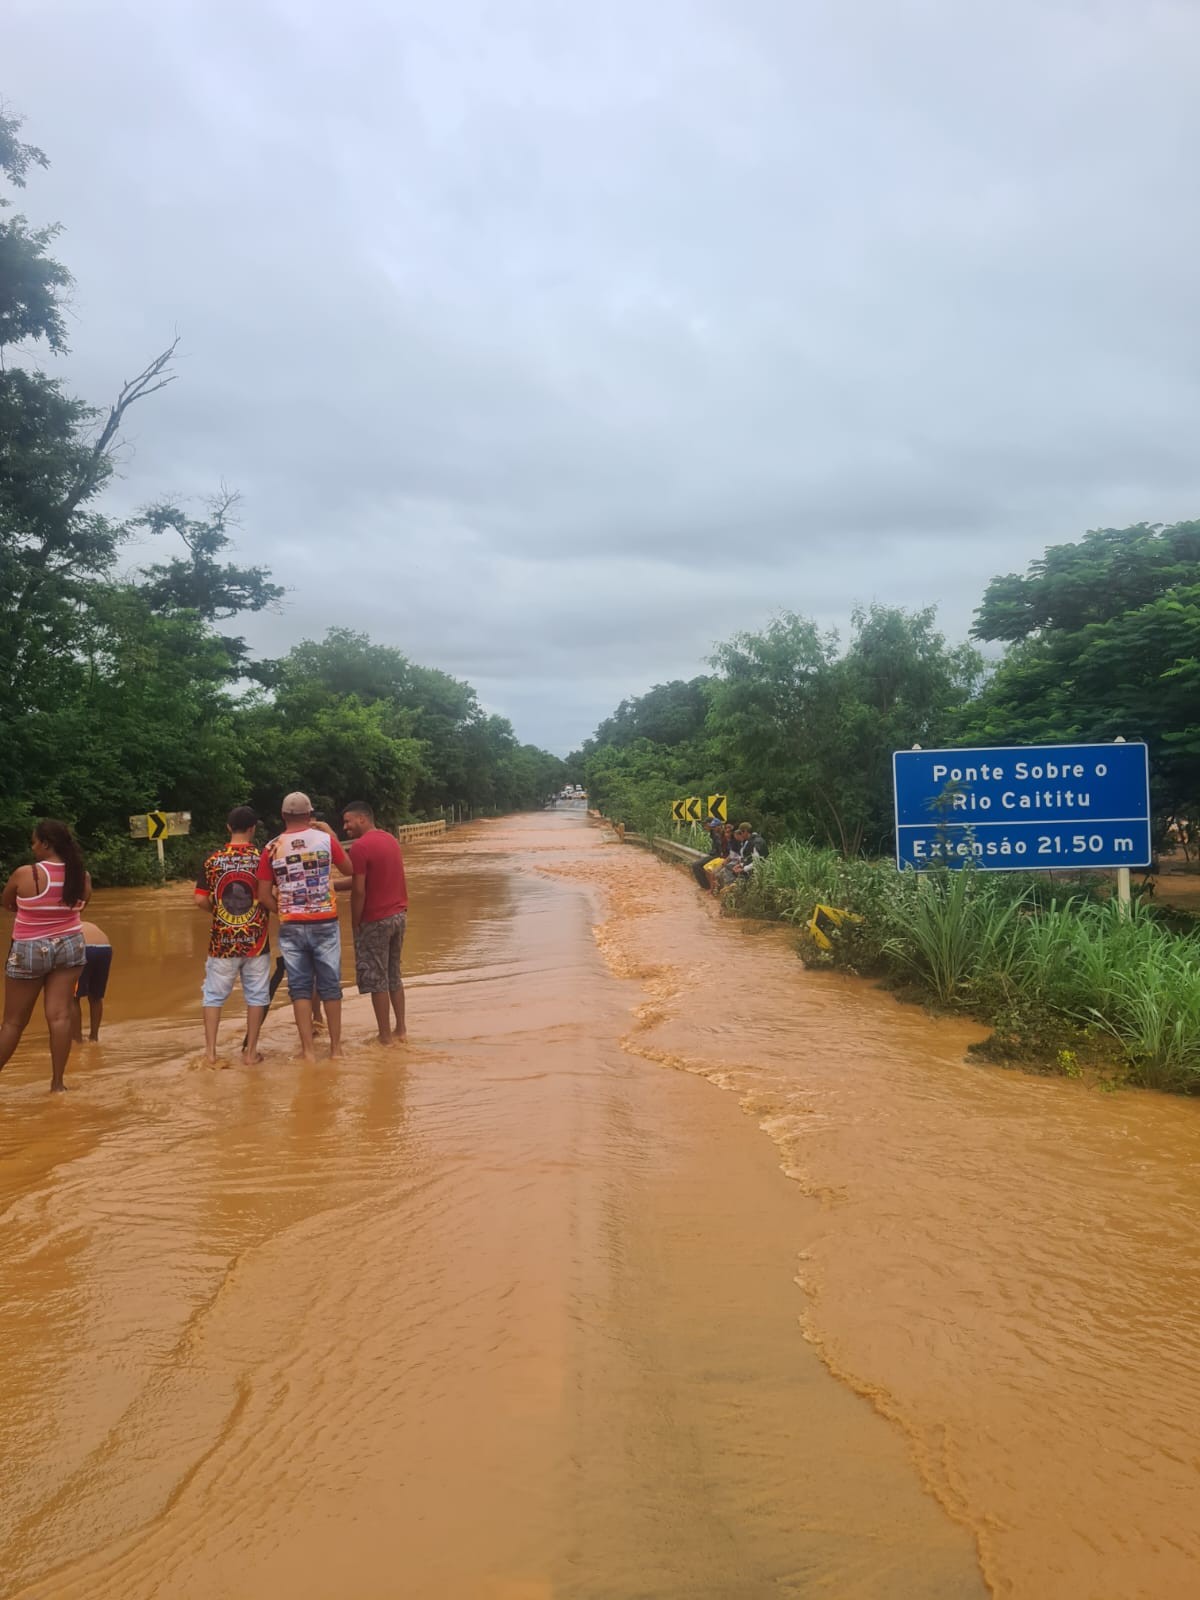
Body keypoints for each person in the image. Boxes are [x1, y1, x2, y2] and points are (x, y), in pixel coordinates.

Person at [256, 793, 355, 1062]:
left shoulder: (271, 848)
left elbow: (264, 895)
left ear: (283, 816)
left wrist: (284, 911)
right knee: (331, 985)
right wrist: (331, 837)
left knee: (299, 987)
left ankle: (308, 1051)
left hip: (291, 924)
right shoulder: (325, 841)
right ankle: (336, 1049)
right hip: (325, 921)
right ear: (310, 814)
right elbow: (350, 870)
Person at [0, 819, 92, 1092]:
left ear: (46, 844)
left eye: (34, 841)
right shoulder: (81, 876)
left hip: (29, 948)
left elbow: (6, 902)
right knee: (60, 1016)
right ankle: (58, 1085)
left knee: (13, 1022)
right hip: (71, 946)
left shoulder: (25, 874)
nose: (32, 847)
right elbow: (80, 907)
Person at [195, 806, 272, 1065]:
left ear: (228, 828)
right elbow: (269, 896)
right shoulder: (263, 858)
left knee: (214, 996)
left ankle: (211, 1054)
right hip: (256, 941)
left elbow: (199, 899)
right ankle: (250, 1055)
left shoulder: (212, 860)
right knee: (257, 996)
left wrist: (217, 913)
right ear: (253, 828)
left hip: (222, 942)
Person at [341, 800, 409, 1046]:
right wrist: (332, 886)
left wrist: (355, 923)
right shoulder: (390, 839)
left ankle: (384, 1037)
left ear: (362, 819)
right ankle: (400, 1029)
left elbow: (359, 891)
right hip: (399, 915)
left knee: (377, 979)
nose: (345, 827)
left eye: (348, 822)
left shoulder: (360, 847)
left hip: (376, 919)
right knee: (394, 974)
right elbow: (367, 880)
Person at [72, 920, 113, 1041]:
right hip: (105, 948)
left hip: (83, 948)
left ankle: (77, 1039)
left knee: (72, 998)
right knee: (96, 996)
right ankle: (94, 1037)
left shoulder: (61, 926)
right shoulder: (88, 924)